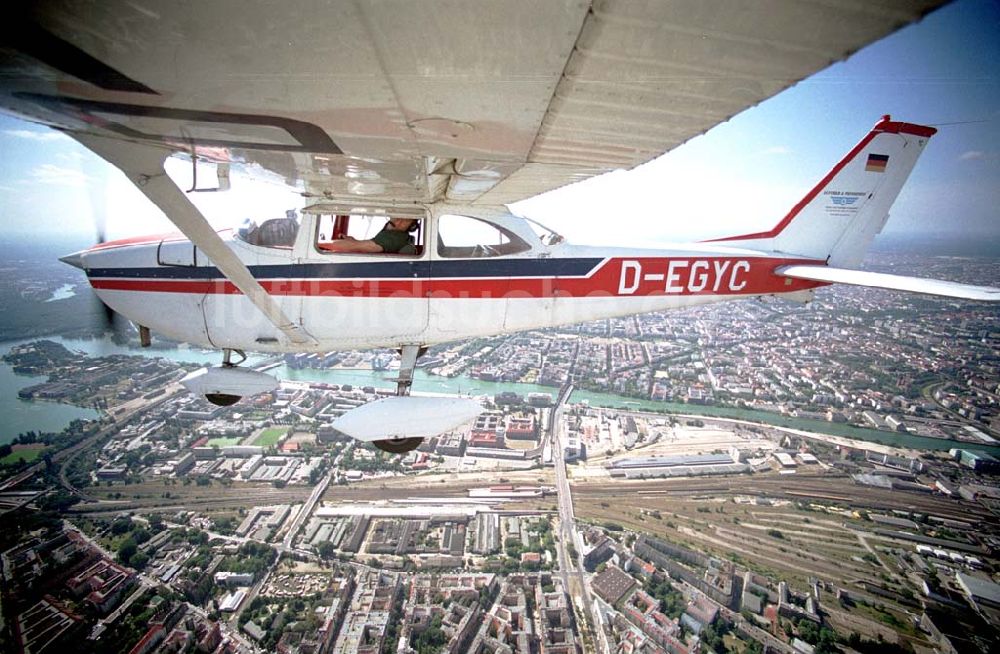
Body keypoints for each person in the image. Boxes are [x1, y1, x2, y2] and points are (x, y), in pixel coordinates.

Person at [319, 218, 418, 254]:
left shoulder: (396, 237)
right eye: (398, 216)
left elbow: (366, 247)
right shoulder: (391, 233)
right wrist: (355, 241)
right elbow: (364, 244)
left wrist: (317, 245)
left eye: (406, 221)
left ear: (411, 226)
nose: (399, 221)